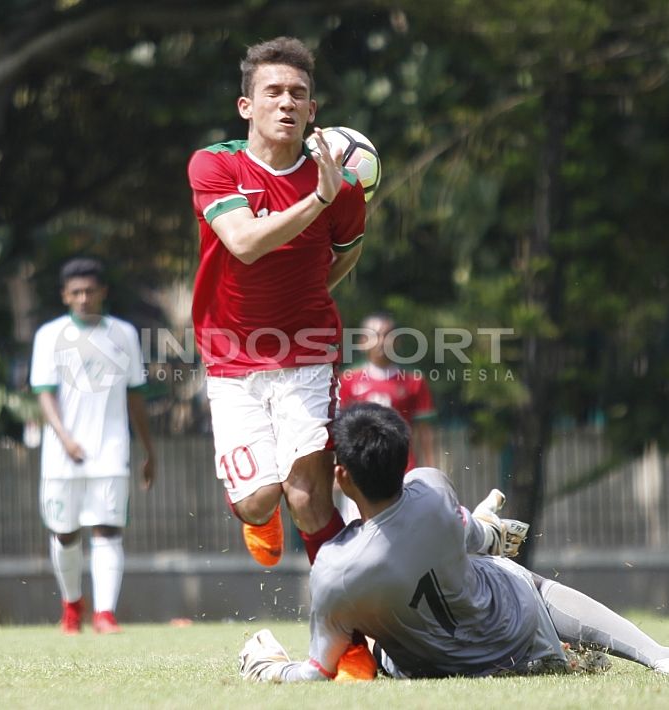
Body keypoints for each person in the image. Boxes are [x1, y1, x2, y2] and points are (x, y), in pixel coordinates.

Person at [238, 403, 669, 681]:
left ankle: (573, 653)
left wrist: (268, 669)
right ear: (402, 456)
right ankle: (663, 658)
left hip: (430, 669)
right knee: (518, 578)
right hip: (513, 635)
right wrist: (490, 529)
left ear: (341, 476)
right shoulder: (430, 487)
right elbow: (476, 537)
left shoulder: (332, 572)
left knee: (386, 634)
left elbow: (316, 673)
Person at [187, 36, 367, 568]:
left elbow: (345, 255)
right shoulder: (215, 165)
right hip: (229, 353)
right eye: (273, 92)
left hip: (309, 351)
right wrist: (318, 200)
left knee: (309, 497)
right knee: (258, 499)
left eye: (298, 94)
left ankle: (349, 635)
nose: (286, 102)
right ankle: (258, 513)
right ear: (246, 105)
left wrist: (304, 295)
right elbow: (242, 244)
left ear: (313, 111)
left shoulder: (345, 189)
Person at [29, 258, 156, 635]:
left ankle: (105, 614)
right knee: (65, 534)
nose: (83, 298)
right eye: (76, 292)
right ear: (65, 295)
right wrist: (66, 439)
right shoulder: (49, 336)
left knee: (107, 530)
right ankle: (72, 605)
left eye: (90, 290)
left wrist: (149, 449)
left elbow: (136, 395)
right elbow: (44, 394)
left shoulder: (124, 335)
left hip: (111, 450)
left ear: (103, 292)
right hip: (61, 456)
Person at [338, 312, 437, 520]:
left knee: (404, 528)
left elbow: (424, 432)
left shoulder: (413, 381)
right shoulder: (348, 381)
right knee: (358, 528)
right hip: (359, 472)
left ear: (398, 340)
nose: (381, 341)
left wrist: (430, 469)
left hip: (403, 471)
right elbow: (338, 431)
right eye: (374, 335)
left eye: (387, 334)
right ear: (362, 341)